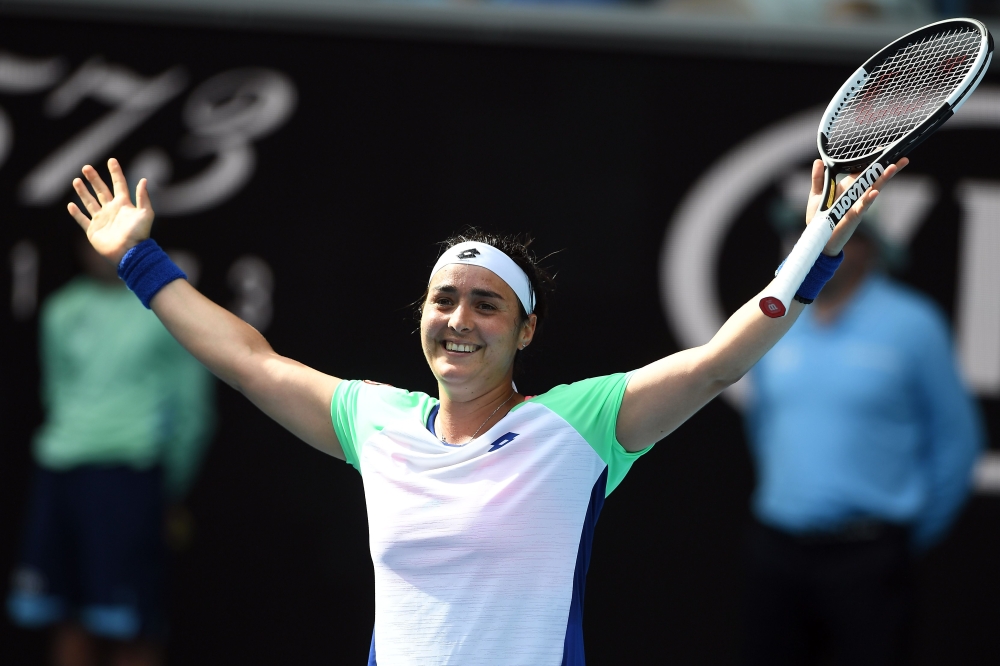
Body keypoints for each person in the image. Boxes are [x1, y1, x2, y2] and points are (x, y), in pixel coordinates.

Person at [63, 155, 903, 665]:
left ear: (526, 330)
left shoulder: (581, 426)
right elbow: (249, 362)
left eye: (486, 305)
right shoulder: (377, 422)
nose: (459, 321)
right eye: (444, 299)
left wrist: (815, 252)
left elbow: (722, 360)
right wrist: (139, 259)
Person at [741, 211, 983, 666]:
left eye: (825, 238)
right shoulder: (772, 317)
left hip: (869, 559)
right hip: (775, 551)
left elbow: (956, 440)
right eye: (801, 238)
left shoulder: (913, 324)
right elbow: (763, 422)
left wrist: (900, 536)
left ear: (865, 248)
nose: (805, 248)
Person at [6, 237, 215, 666]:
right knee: (67, 616)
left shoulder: (170, 313)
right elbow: (57, 391)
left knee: (132, 625)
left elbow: (193, 411)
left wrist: (168, 488)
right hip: (60, 473)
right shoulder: (60, 309)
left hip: (129, 478)